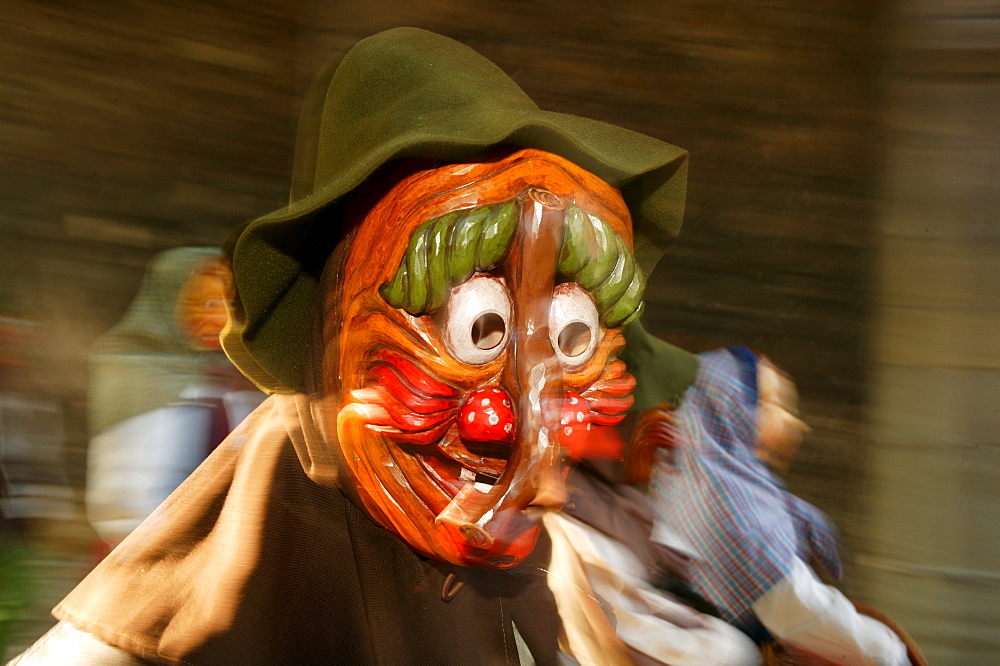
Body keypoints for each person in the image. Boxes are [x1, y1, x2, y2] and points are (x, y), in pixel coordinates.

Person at [9, 28, 919, 665]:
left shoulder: (535, 540)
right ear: (341, 336)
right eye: (477, 332)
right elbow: (112, 634)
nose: (519, 417)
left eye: (568, 343)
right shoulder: (299, 465)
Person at [642, 346, 914, 665]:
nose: (794, 424)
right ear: (734, 407)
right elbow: (805, 611)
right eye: (773, 403)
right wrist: (892, 652)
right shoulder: (737, 512)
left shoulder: (681, 480)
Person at [85, 248, 263, 548]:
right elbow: (123, 495)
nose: (216, 315)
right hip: (150, 553)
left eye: (226, 302)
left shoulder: (244, 377)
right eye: (202, 301)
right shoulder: (133, 368)